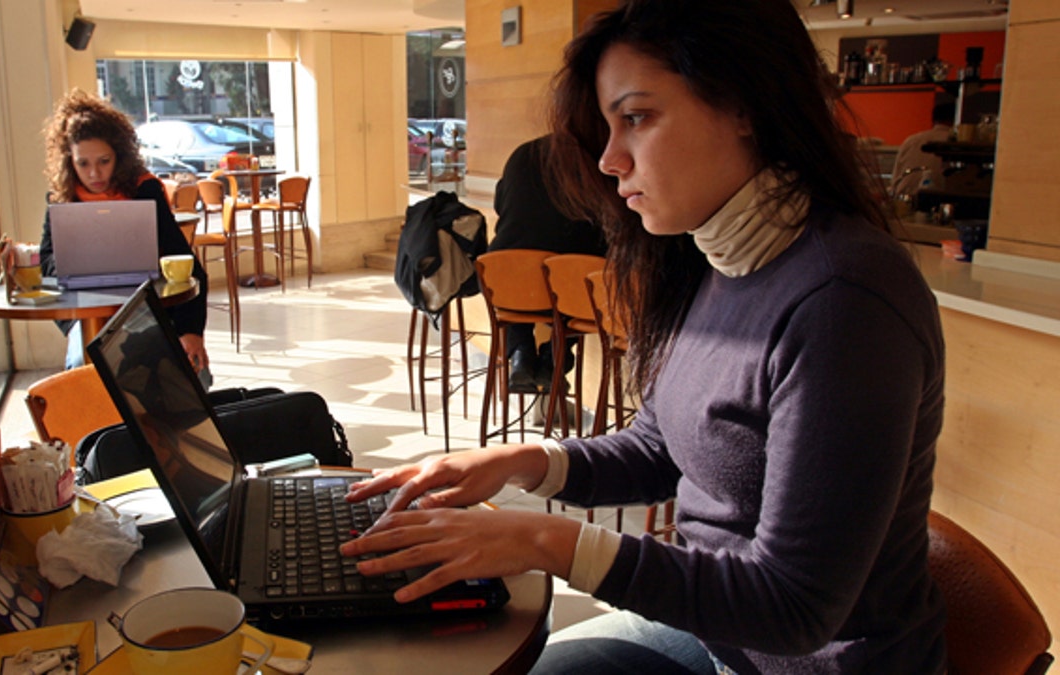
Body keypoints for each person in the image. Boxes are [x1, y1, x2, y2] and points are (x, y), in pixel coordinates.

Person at [340, 1, 947, 673]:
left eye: (637, 118)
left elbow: (796, 607)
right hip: (722, 643)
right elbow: (662, 444)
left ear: (745, 105)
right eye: (607, 127)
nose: (608, 159)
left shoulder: (844, 299)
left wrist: (547, 539)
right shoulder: (714, 260)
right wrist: (519, 461)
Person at [37, 90, 210, 383]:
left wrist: (190, 331)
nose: (94, 174)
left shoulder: (144, 191)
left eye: (104, 161)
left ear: (119, 154)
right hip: (86, 312)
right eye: (83, 164)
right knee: (85, 368)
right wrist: (71, 266)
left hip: (143, 306)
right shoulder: (61, 200)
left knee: (188, 374)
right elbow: (46, 262)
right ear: (70, 162)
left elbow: (186, 264)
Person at [489, 135, 606, 393]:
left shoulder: (522, 152)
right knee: (580, 283)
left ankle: (520, 353)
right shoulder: (595, 159)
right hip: (570, 285)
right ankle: (555, 358)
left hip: (503, 277)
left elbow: (500, 205)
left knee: (523, 269)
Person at [891, 101, 954, 196]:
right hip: (938, 200)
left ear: (933, 120)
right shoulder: (955, 142)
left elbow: (895, 179)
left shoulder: (911, 140)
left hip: (904, 200)